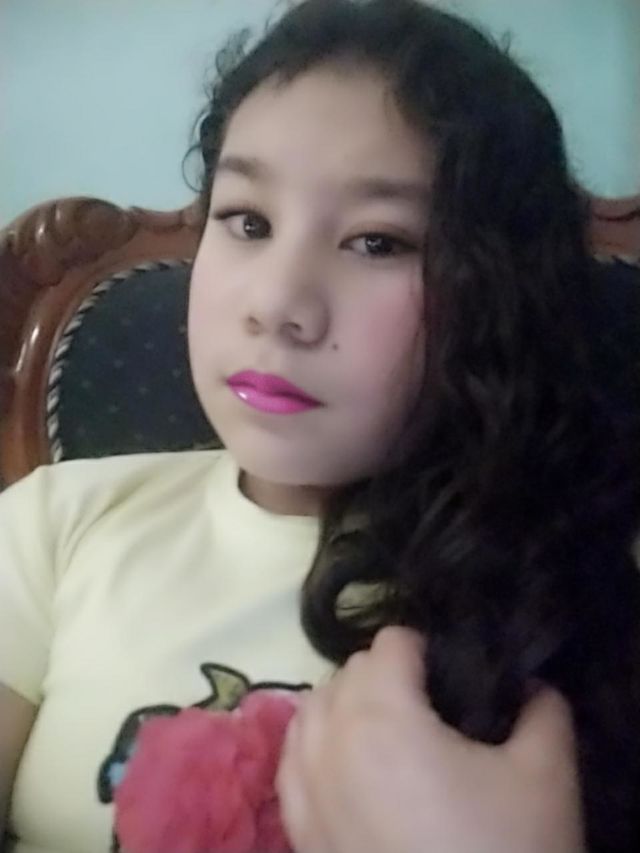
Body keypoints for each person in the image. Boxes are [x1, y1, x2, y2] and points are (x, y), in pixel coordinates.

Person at [1, 0, 638, 851]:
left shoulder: (594, 580)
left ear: (499, 291)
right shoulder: (53, 525)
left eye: (378, 242)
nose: (278, 304)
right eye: (248, 221)